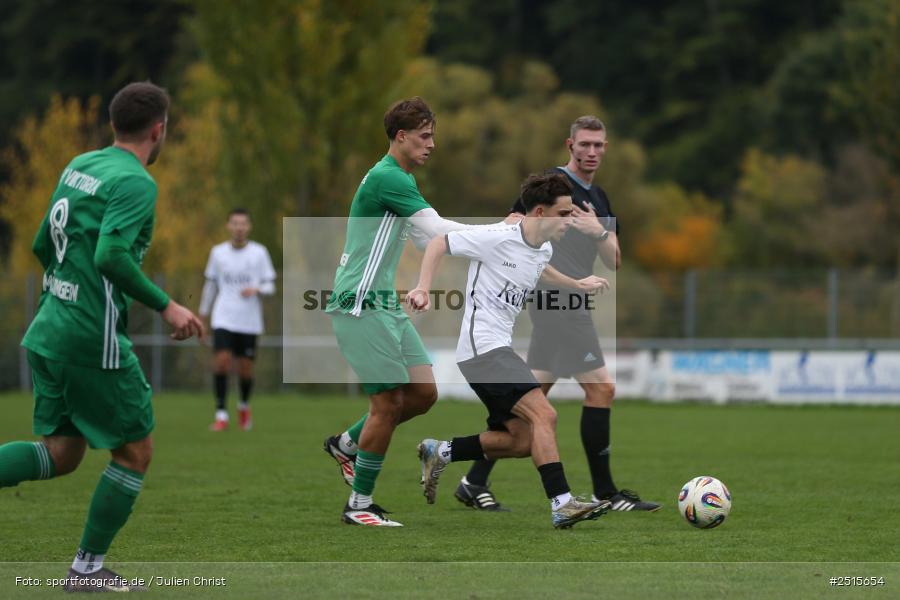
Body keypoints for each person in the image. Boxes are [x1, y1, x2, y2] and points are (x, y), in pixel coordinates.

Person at [0, 82, 204, 592]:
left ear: (115, 124)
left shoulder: (81, 164)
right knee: (135, 452)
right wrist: (168, 305)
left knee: (62, 454)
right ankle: (86, 571)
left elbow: (40, 241)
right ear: (159, 130)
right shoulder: (136, 182)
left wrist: (64, 292)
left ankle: (85, 569)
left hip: (49, 327)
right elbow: (109, 257)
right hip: (91, 339)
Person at [456, 116, 661, 513]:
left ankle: (472, 480)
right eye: (585, 144)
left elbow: (614, 259)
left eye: (599, 145)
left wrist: (596, 230)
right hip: (557, 303)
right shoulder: (552, 187)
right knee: (601, 388)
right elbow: (512, 224)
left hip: (573, 303)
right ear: (570, 145)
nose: (592, 152)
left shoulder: (599, 198)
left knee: (532, 401)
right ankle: (605, 493)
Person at [322, 97, 504, 527]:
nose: (432, 145)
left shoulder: (398, 179)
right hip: (360, 303)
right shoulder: (390, 178)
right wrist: (505, 233)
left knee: (423, 395)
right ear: (400, 137)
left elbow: (429, 241)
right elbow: (439, 230)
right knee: (387, 403)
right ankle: (360, 506)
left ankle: (347, 444)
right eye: (424, 136)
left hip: (384, 302)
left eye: (433, 136)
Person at [410, 171, 612, 528]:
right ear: (539, 212)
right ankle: (562, 503)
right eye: (563, 214)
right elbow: (440, 242)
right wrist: (423, 287)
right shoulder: (495, 237)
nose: (569, 221)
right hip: (482, 350)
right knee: (545, 416)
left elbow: (542, 270)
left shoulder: (543, 247)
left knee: (520, 441)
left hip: (495, 350)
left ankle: (439, 451)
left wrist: (576, 283)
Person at [199, 209, 276, 431]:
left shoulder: (259, 253)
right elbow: (210, 286)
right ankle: (221, 413)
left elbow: (271, 286)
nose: (239, 228)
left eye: (243, 224)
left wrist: (257, 289)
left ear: (249, 226)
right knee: (221, 362)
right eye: (235, 223)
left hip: (249, 321)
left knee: (245, 370)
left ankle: (243, 405)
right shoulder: (218, 253)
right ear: (228, 226)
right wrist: (202, 316)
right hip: (223, 317)